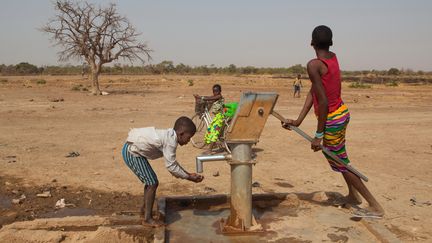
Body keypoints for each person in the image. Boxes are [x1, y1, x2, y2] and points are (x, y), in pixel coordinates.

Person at [282, 25, 384, 218]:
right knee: (340, 159)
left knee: (341, 163)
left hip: (333, 118)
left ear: (311, 43)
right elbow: (315, 91)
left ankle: (375, 205)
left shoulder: (313, 64)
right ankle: (353, 196)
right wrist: (298, 121)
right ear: (331, 43)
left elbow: (323, 101)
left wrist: (318, 136)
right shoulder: (331, 58)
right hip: (341, 113)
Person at [122, 116, 204, 227]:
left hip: (134, 150)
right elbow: (171, 166)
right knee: (152, 183)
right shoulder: (171, 141)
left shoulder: (170, 136)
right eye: (188, 138)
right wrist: (188, 177)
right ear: (181, 134)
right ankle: (147, 219)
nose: (188, 141)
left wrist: (187, 174)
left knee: (150, 181)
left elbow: (173, 163)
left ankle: (145, 211)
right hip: (132, 152)